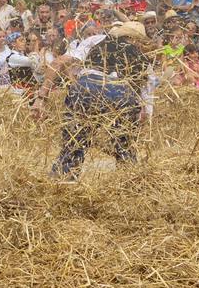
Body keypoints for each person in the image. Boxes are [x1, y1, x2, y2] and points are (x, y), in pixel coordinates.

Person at [49, 21, 151, 179]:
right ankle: (128, 181)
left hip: (86, 88)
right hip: (119, 92)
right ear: (136, 40)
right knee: (125, 147)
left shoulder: (95, 41)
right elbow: (145, 93)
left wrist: (41, 96)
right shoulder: (139, 55)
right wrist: (144, 116)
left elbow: (58, 62)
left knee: (74, 143)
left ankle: (63, 179)